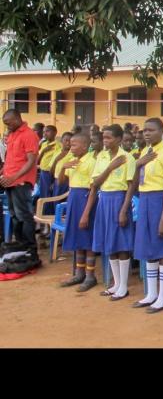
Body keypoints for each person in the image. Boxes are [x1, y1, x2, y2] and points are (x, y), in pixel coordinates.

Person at [80, 124, 136, 298]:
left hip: (119, 200)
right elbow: (96, 183)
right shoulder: (102, 156)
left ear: (118, 139)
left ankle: (123, 286)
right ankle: (116, 283)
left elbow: (131, 186)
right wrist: (110, 167)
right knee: (109, 243)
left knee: (122, 244)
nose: (105, 140)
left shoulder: (127, 158)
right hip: (104, 200)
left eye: (109, 137)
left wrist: (123, 210)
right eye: (104, 137)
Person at [127, 117, 163, 312]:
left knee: (161, 250)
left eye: (151, 130)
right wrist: (137, 164)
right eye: (145, 130)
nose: (147, 133)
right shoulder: (145, 152)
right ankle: (151, 294)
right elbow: (135, 182)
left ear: (161, 132)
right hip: (145, 200)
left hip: (159, 201)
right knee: (148, 248)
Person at [0, 109, 43, 270]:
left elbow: (31, 161)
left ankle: (30, 249)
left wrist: (14, 176)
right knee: (14, 216)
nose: (7, 126)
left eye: (9, 122)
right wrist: (4, 173)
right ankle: (21, 247)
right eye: (5, 124)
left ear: (17, 119)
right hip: (9, 181)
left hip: (21, 182)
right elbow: (11, 159)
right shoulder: (12, 134)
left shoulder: (29, 134)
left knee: (24, 216)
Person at [55, 132, 98, 289]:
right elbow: (60, 182)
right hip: (73, 198)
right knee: (77, 237)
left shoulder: (91, 162)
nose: (70, 146)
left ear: (85, 146)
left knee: (87, 238)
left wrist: (86, 214)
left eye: (74, 144)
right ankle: (79, 273)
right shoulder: (71, 161)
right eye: (70, 144)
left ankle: (90, 276)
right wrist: (62, 168)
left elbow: (93, 190)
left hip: (85, 200)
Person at [35, 124, 61, 202]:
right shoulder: (44, 144)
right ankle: (43, 208)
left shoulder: (58, 145)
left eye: (47, 131)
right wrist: (43, 150)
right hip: (43, 172)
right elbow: (38, 160)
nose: (45, 134)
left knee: (48, 193)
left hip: (50, 172)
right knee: (43, 192)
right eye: (44, 132)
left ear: (55, 132)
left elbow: (58, 160)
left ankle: (47, 209)